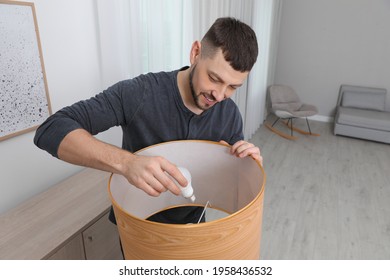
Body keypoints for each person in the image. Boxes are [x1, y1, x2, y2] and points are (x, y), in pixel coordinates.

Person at [34, 17, 263, 224]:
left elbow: (232, 181)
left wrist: (247, 165)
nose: (220, 95)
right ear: (195, 53)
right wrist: (127, 163)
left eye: (233, 87)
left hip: (194, 227)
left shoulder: (230, 113)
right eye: (214, 78)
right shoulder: (140, 93)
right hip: (138, 227)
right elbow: (51, 129)